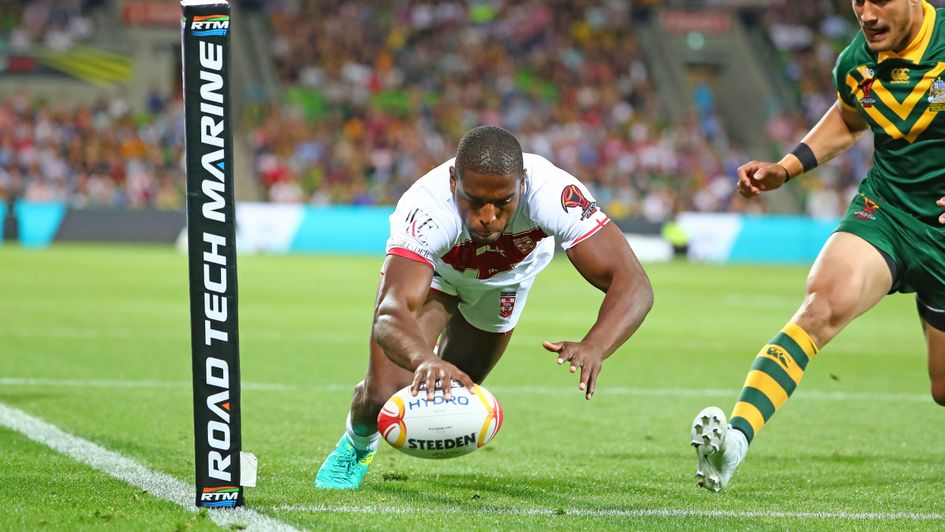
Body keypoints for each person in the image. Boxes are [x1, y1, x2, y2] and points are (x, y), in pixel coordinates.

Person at [690, 0, 945, 492]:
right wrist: (785, 167)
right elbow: (849, 121)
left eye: (880, 0)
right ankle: (733, 447)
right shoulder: (856, 63)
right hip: (886, 213)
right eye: (857, 1)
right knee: (818, 308)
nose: (866, 14)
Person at [315, 125, 654, 489]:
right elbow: (389, 314)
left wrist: (596, 345)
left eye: (503, 202)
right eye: (474, 201)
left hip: (504, 284)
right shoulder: (426, 207)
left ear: (522, 183)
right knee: (386, 396)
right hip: (437, 277)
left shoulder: (553, 193)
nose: (488, 216)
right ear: (452, 183)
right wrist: (424, 359)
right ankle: (356, 444)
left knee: (456, 391)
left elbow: (634, 284)